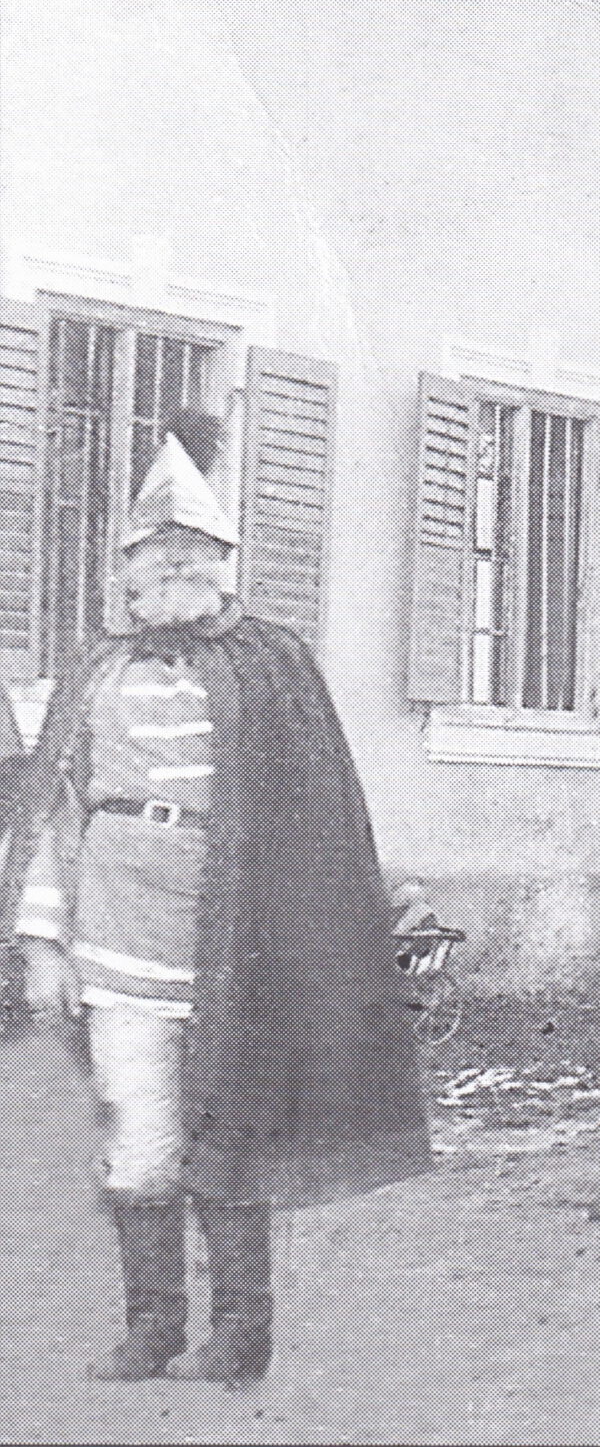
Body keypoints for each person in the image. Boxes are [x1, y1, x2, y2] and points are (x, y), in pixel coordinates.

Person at [7, 434, 432, 1384]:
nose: (172, 563)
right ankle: (152, 1325)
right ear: (124, 568)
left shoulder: (270, 662)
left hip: (232, 938)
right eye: (154, 552)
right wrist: (44, 944)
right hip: (116, 935)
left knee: (231, 1130)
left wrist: (363, 904)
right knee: (139, 1131)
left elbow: (321, 805)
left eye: (191, 549)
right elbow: (52, 809)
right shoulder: (93, 668)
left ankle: (243, 1333)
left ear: (223, 562)